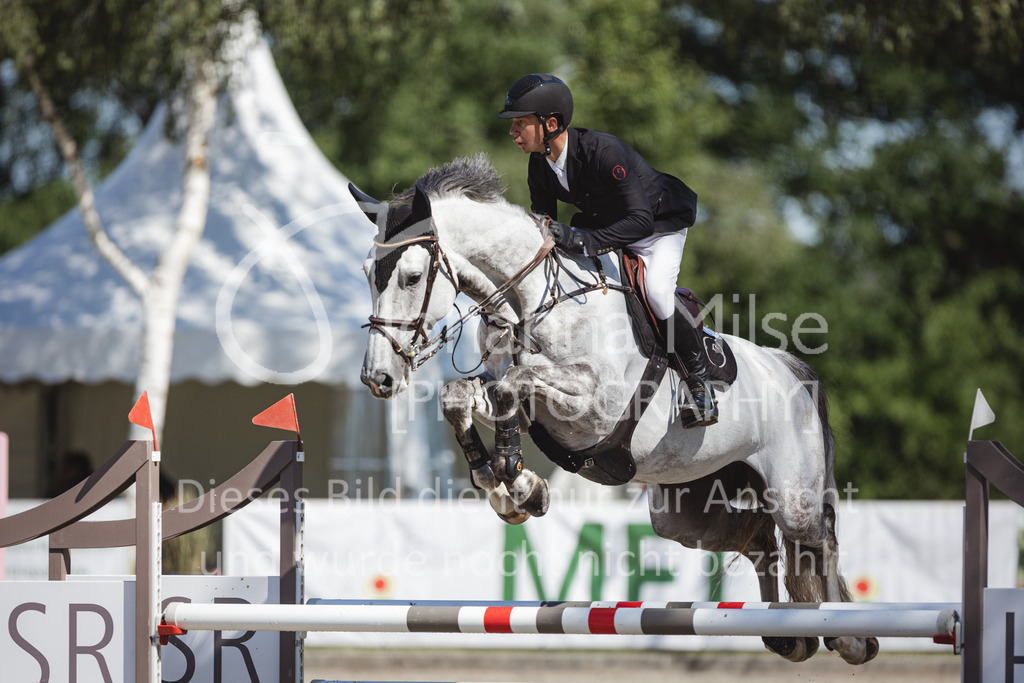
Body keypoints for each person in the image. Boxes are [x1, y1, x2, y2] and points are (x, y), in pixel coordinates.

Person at [497, 73, 717, 427]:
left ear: (550, 124)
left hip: (658, 226)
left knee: (658, 293)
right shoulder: (539, 163)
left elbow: (640, 222)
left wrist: (581, 240)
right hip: (607, 226)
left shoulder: (604, 152)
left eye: (521, 123)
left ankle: (700, 384)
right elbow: (544, 222)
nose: (513, 132)